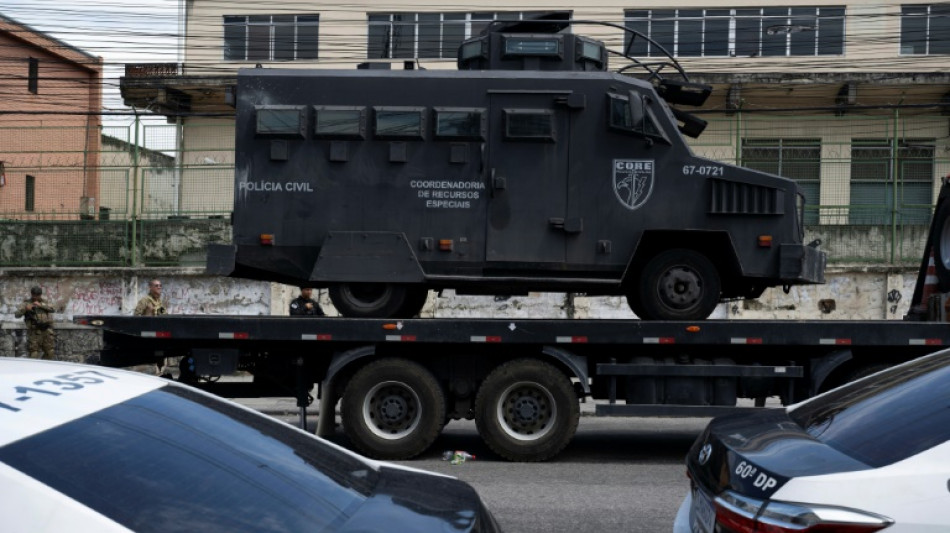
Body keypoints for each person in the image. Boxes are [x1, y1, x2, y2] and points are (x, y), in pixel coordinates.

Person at [134, 279, 169, 376]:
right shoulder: (145, 301)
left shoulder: (160, 302)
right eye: (156, 285)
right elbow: (136, 317)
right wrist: (148, 313)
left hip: (159, 335)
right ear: (150, 287)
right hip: (148, 334)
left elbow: (164, 315)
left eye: (160, 285)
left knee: (161, 357)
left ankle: (160, 371)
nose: (159, 287)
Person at [14, 286, 55, 360]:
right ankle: (34, 369)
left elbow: (52, 309)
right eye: (34, 295)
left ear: (40, 295)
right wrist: (25, 309)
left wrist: (41, 305)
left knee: (50, 352)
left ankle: (43, 367)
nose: (35, 297)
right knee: (34, 354)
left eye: (37, 295)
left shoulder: (45, 302)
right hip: (34, 332)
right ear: (31, 294)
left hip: (46, 331)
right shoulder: (26, 303)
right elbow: (16, 315)